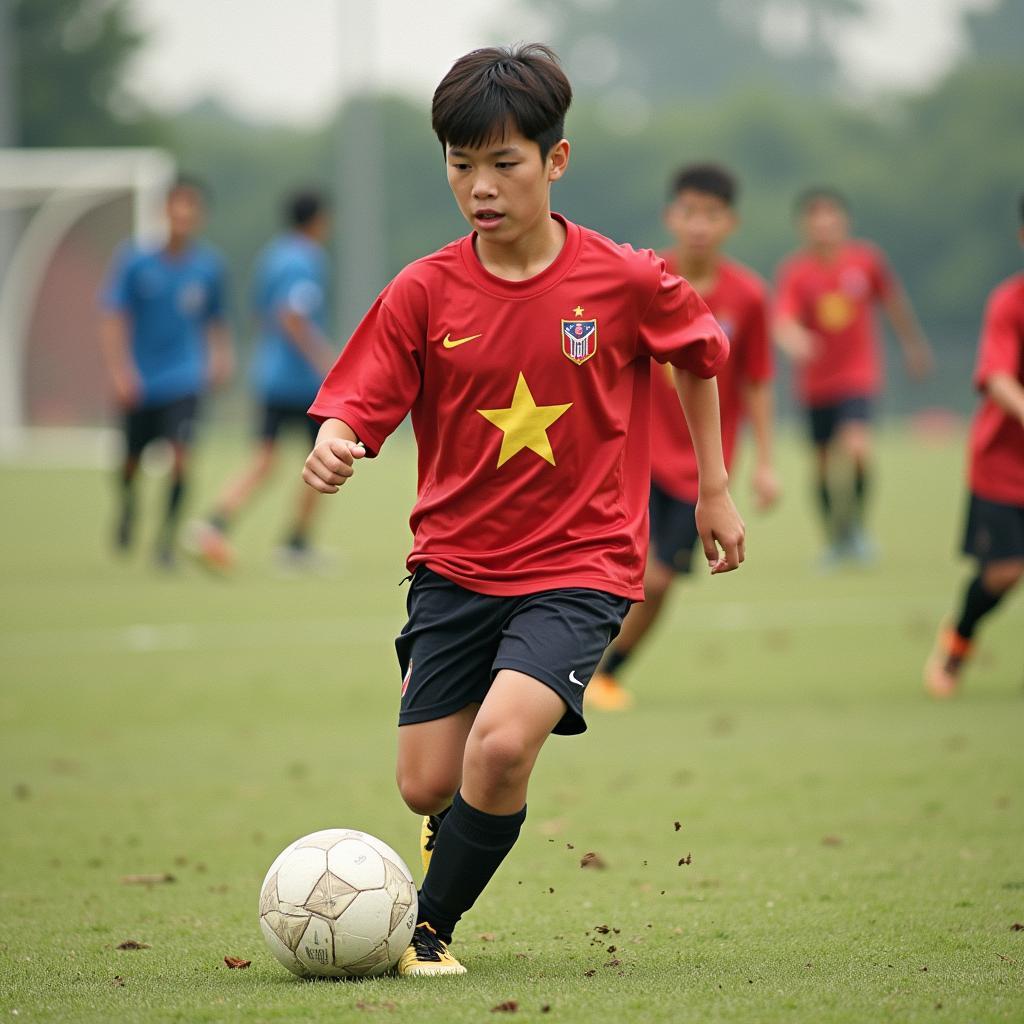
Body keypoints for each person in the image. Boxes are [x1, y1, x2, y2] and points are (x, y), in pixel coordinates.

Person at [300, 45, 745, 977]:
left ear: (556, 160)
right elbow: (361, 396)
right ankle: (445, 855)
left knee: (499, 751)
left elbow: (698, 355)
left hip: (581, 567)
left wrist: (713, 487)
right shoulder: (424, 291)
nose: (480, 186)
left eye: (504, 163)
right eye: (462, 165)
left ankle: (424, 929)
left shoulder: (621, 279)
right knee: (428, 784)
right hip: (454, 567)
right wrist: (338, 436)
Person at [588, 163, 779, 711]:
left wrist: (766, 462)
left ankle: (607, 671)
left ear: (731, 223)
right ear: (671, 216)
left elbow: (759, 381)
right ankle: (568, 669)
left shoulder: (749, 296)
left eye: (711, 215)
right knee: (613, 566)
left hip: (698, 467)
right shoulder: (642, 280)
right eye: (689, 212)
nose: (699, 225)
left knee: (661, 580)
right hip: (629, 453)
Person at [775, 188, 933, 566]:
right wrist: (795, 340)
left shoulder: (866, 262)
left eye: (832, 220)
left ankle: (858, 530)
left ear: (844, 223)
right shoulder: (796, 271)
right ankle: (836, 538)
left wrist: (914, 346)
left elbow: (893, 304)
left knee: (859, 448)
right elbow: (782, 319)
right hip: (815, 384)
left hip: (858, 376)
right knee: (823, 464)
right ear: (804, 227)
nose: (825, 228)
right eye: (817, 222)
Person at [188, 190, 334, 570]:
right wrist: (324, 359)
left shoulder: (273, 254)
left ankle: (214, 523)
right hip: (300, 382)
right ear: (318, 220)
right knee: (323, 459)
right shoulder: (306, 259)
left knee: (264, 460)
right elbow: (292, 316)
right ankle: (297, 544)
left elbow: (261, 313)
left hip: (269, 374)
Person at [100, 175, 232, 568]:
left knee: (181, 457)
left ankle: (165, 542)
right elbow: (113, 316)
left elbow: (216, 317)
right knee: (130, 462)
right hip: (141, 380)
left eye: (192, 208)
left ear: (200, 215)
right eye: (178, 206)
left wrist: (221, 355)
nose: (184, 215)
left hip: (184, 378)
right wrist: (121, 371)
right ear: (164, 211)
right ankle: (128, 508)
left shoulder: (208, 267)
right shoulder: (134, 260)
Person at [925, 196, 1024, 697]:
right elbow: (997, 377)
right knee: (1004, 573)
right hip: (1005, 467)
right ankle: (956, 645)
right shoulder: (1010, 302)